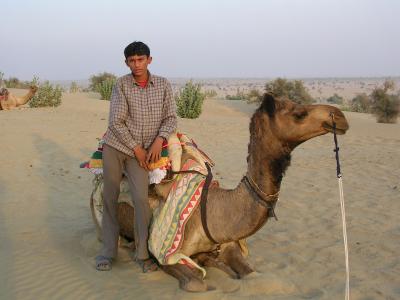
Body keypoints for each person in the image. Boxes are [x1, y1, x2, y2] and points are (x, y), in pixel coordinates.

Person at [95, 41, 177, 273]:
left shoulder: (162, 85)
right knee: (110, 196)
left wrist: (159, 139)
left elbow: (170, 118)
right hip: (117, 146)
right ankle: (107, 252)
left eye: (141, 59)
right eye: (132, 60)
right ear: (126, 63)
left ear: (149, 60)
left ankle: (142, 253)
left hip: (142, 152)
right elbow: (116, 122)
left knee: (141, 199)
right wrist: (138, 149)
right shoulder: (121, 85)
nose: (136, 64)